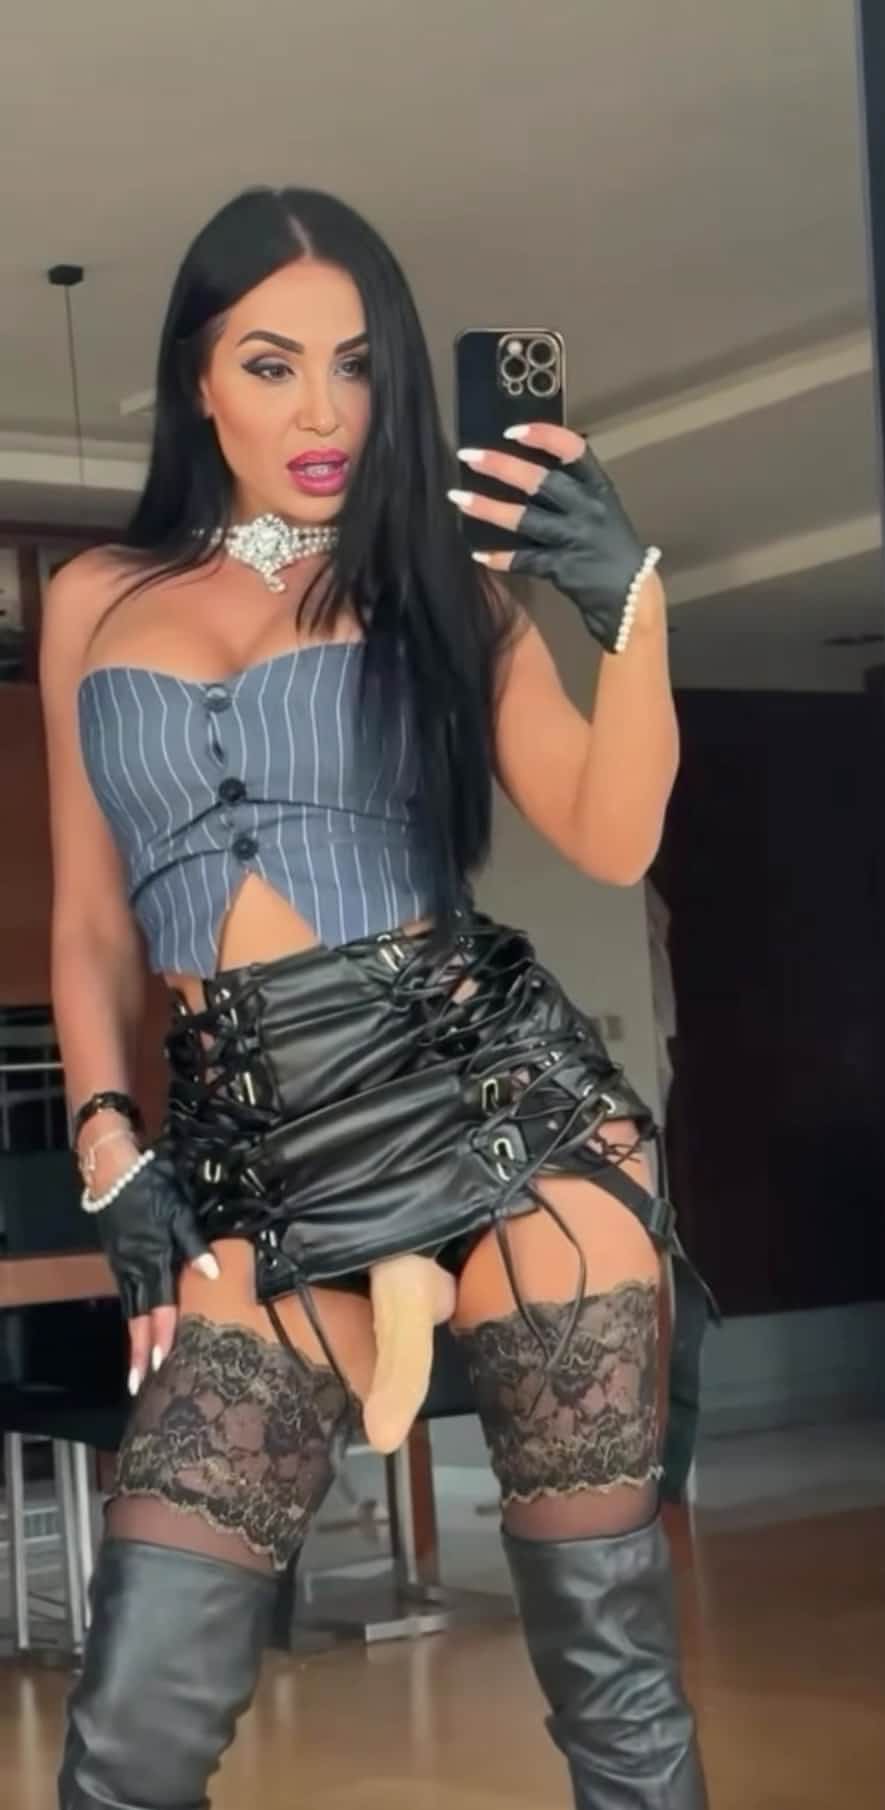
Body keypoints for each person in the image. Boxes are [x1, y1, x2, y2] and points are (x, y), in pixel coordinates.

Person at [42, 186, 711, 1809]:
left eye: (356, 366)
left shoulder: (441, 590)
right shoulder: (91, 599)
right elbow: (90, 920)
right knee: (129, 1742)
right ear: (198, 378)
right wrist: (110, 1146)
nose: (322, 412)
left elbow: (611, 832)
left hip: (498, 1125)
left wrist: (629, 605)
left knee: (615, 1701)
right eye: (271, 364)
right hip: (251, 1169)